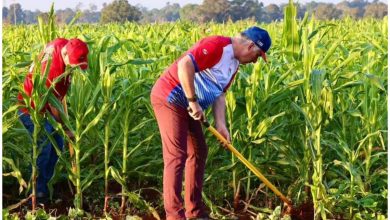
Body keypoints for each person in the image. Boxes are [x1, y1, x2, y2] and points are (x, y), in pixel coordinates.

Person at [150, 26, 271, 220]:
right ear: (250, 46)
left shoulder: (234, 65)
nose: (255, 61)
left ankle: (195, 213)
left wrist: (221, 124)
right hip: (170, 97)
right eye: (257, 56)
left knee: (199, 152)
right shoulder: (217, 45)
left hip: (189, 106)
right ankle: (174, 216)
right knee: (176, 155)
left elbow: (220, 94)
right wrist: (192, 101)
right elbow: (185, 65)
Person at [17, 38, 89, 203]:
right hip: (31, 108)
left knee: (58, 143)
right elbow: (55, 104)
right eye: (73, 65)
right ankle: (35, 194)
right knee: (45, 145)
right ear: (64, 54)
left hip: (47, 107)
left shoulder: (64, 45)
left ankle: (45, 185)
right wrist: (66, 127)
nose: (74, 69)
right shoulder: (53, 71)